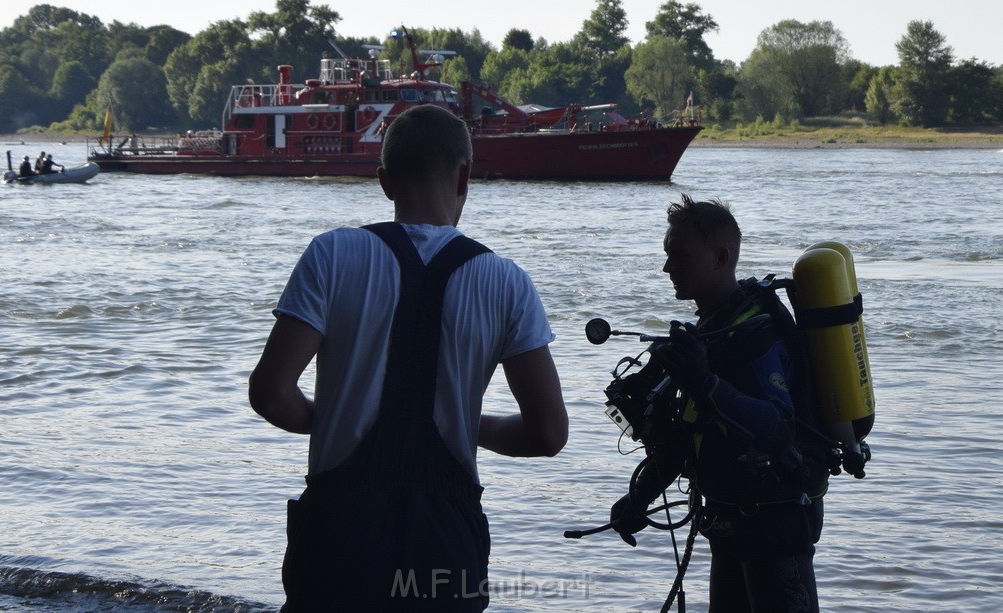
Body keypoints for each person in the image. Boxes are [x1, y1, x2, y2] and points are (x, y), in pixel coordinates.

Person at [248, 104, 569, 612]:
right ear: (464, 175)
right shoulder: (508, 281)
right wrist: (469, 424)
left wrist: (331, 417)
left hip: (339, 531)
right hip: (444, 539)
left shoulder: (331, 254)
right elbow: (548, 434)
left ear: (384, 181)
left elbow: (270, 393)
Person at [609, 195, 828, 612]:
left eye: (681, 256)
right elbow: (690, 431)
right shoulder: (710, 333)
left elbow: (779, 431)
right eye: (667, 256)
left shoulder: (757, 334)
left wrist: (704, 382)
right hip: (727, 524)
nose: (668, 268)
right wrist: (639, 500)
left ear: (722, 256)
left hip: (777, 526)